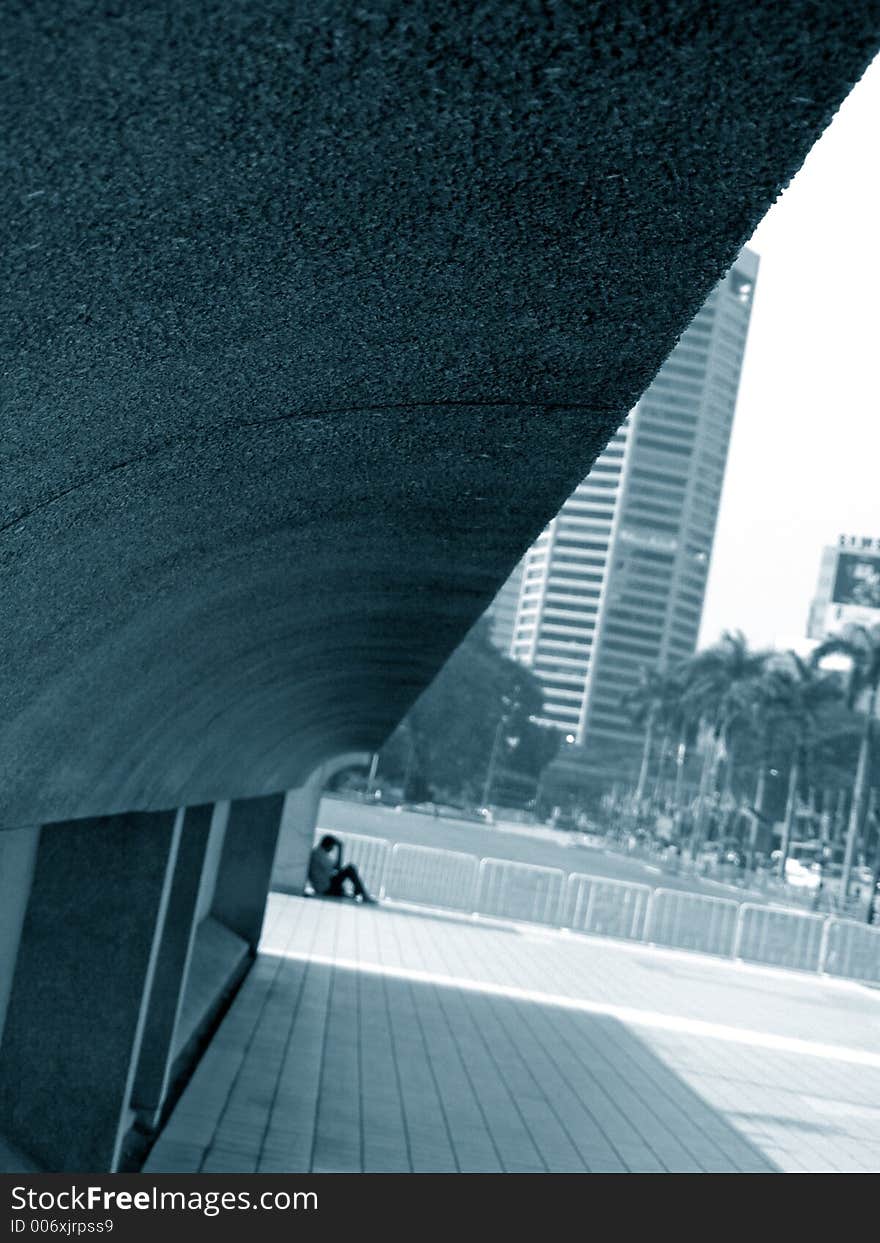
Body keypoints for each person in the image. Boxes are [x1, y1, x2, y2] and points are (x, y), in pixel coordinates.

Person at [308, 834, 376, 903]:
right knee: (350, 869)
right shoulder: (320, 855)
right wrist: (340, 849)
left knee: (346, 873)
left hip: (323, 886)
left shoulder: (317, 852)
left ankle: (358, 891)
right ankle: (364, 895)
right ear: (329, 845)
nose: (332, 849)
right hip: (326, 889)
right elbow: (338, 867)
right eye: (332, 847)